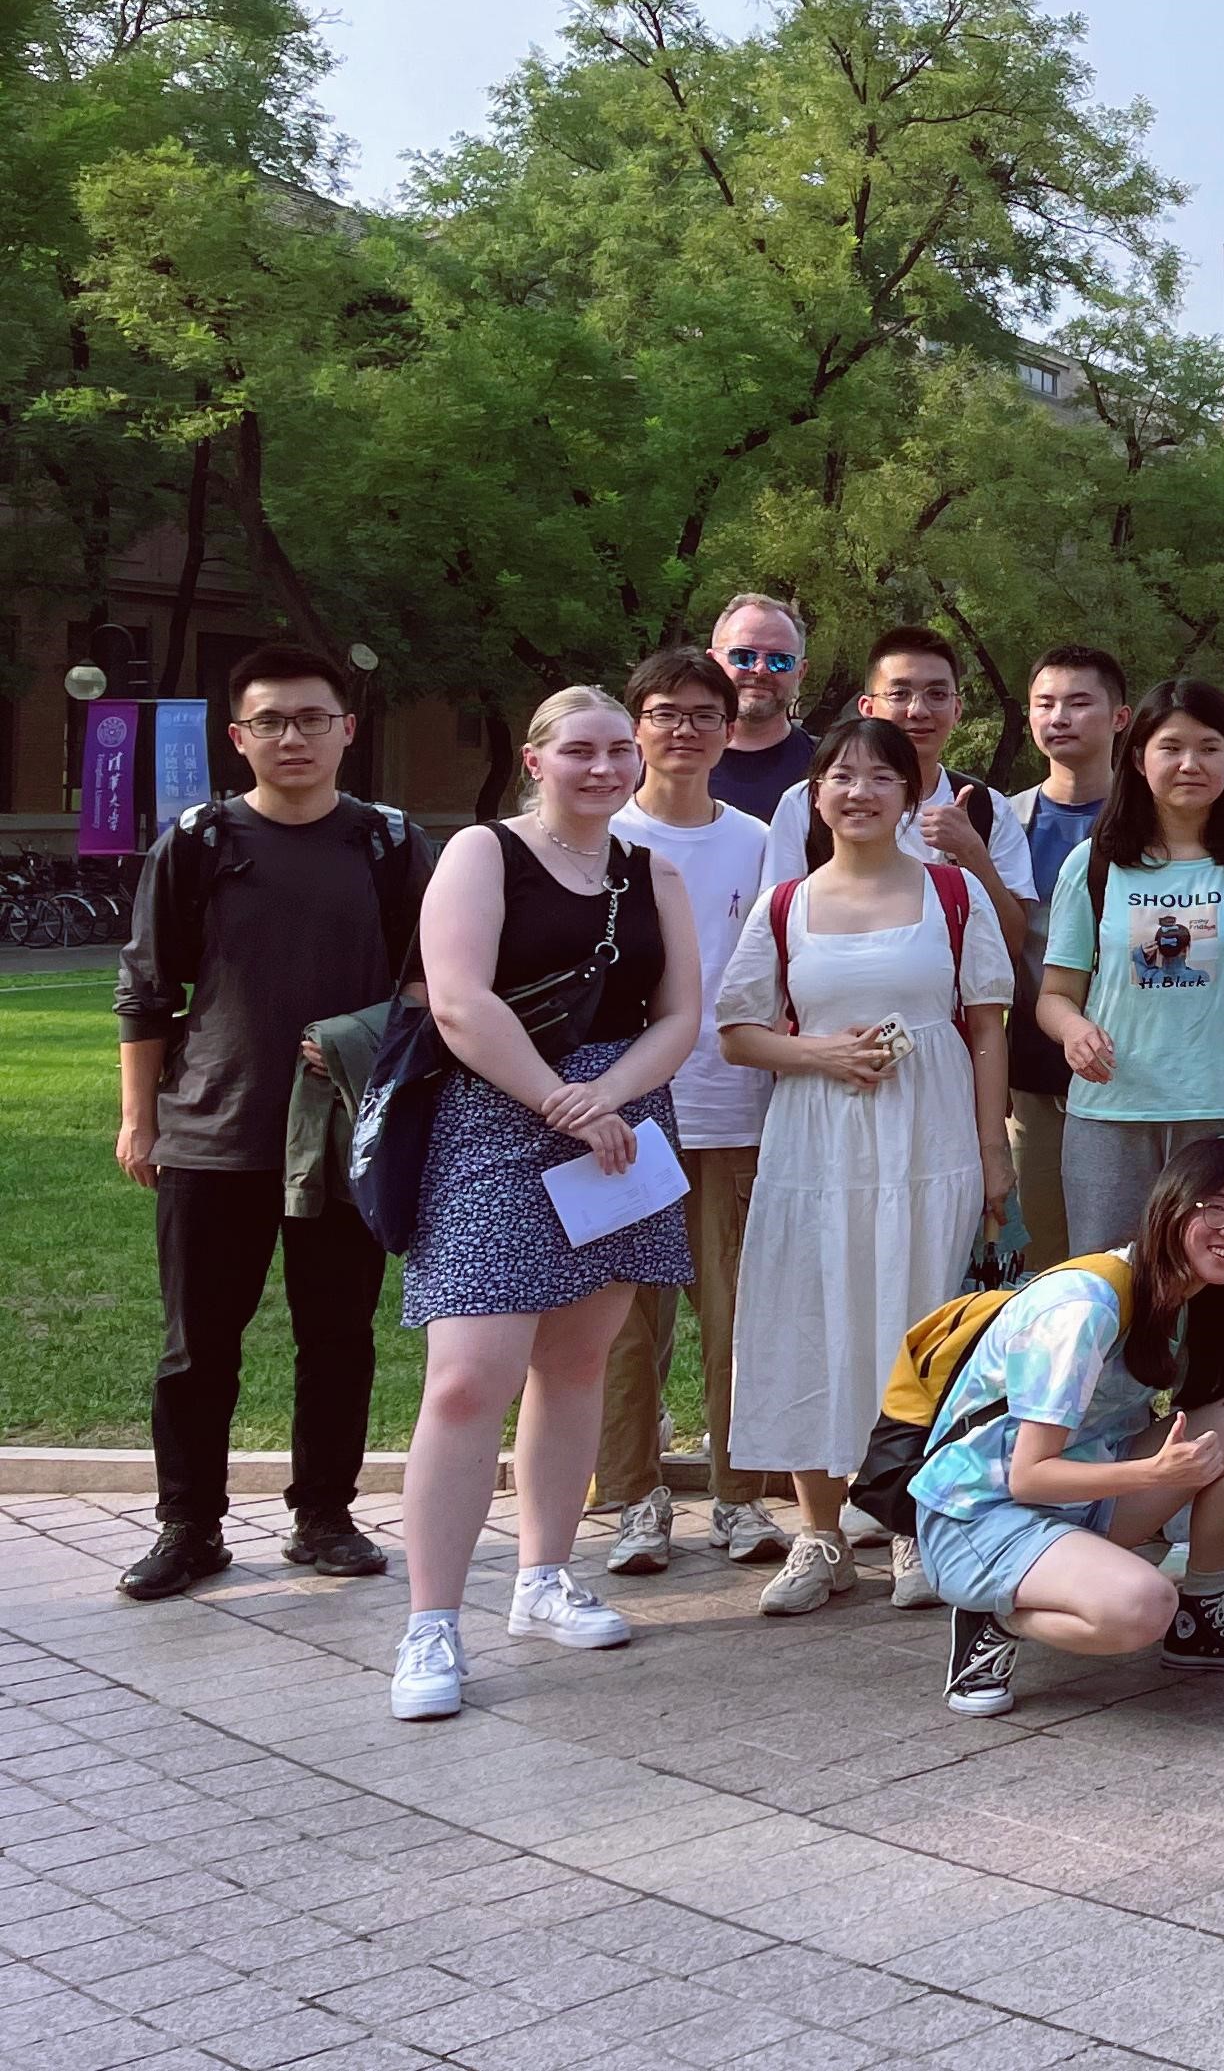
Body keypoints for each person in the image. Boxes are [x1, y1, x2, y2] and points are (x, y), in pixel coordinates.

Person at [387, 688, 703, 1720]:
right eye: (579, 750)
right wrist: (559, 1099)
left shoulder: (651, 871)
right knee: (466, 1381)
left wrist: (605, 1098)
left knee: (576, 1365)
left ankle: (544, 1577)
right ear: (535, 759)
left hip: (619, 1128)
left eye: (618, 749)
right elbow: (457, 1000)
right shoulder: (482, 853)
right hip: (497, 1119)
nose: (603, 767)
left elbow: (680, 1015)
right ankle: (431, 1623)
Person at [110, 643, 430, 1600]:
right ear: (238, 736)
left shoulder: (387, 843)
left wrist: (362, 1043)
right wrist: (139, 1120)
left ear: (347, 730)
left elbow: (430, 984)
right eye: (271, 721)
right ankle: (189, 1525)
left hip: (339, 1134)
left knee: (337, 1334)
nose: (294, 737)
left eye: (313, 718)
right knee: (197, 1343)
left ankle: (324, 1514)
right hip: (215, 1130)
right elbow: (146, 990)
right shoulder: (200, 841)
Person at [712, 718, 1016, 1615]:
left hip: (931, 1142)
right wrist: (824, 1055)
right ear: (816, 796)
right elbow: (737, 1031)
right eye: (841, 776)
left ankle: (913, 1523)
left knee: (922, 1322)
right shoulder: (787, 905)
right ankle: (820, 1535)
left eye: (882, 776)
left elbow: (988, 1025)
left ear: (911, 795)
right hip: (816, 1145)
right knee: (807, 1316)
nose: (860, 791)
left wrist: (994, 1151)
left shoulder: (953, 892)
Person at [913, 1135, 1224, 1716]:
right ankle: (992, 1617)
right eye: (1215, 1208)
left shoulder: (1197, 1293)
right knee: (1142, 1606)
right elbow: (1029, 1476)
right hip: (982, 1515)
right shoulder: (1086, 1307)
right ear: (1173, 1206)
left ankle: (1201, 1623)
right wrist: (1154, 1474)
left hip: (1082, 1493)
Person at [593, 646, 793, 1579]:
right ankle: (634, 1495)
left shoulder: (758, 840)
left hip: (734, 1107)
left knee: (734, 1315)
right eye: (665, 713)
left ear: (728, 729)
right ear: (637, 726)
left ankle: (739, 1494)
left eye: (704, 714)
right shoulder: (601, 834)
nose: (684, 730)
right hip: (621, 1115)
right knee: (624, 1322)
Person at [1037, 680, 1224, 1253]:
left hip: (1223, 1120)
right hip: (1109, 1117)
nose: (1191, 764)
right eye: (1172, 747)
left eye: (1210, 747)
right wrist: (1074, 1029)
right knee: (1107, 1283)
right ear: (1139, 759)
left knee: (1214, 1288)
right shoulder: (1094, 865)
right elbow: (1054, 995)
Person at [757, 627, 1037, 964]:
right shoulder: (808, 801)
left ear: (957, 709)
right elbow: (776, 931)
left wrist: (971, 852)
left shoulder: (986, 808)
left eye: (937, 694)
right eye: (899, 694)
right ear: (867, 707)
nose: (918, 711)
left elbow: (1012, 944)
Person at [999, 644, 1132, 1269]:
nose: (1059, 718)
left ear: (1120, 717)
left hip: (1138, 1062)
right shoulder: (1006, 821)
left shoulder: (1159, 817)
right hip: (1034, 1066)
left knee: (1127, 1251)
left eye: (1079, 703)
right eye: (1044, 704)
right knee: (1045, 1253)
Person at [704, 593, 818, 820]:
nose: (760, 669)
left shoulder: (829, 769)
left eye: (780, 660)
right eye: (742, 656)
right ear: (713, 662)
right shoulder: (662, 762)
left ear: (800, 672)